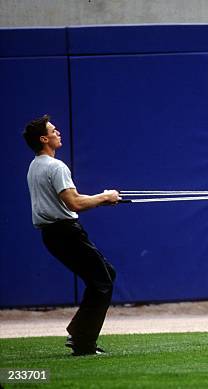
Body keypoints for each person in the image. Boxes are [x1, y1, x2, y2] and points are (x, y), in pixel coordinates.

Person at [23, 115, 121, 356]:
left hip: (53, 234)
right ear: (44, 138)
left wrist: (101, 197)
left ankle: (80, 335)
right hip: (65, 232)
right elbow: (74, 202)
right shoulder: (56, 167)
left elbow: (70, 199)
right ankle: (82, 341)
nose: (59, 133)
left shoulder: (35, 165)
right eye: (54, 131)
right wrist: (105, 197)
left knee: (105, 275)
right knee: (103, 280)